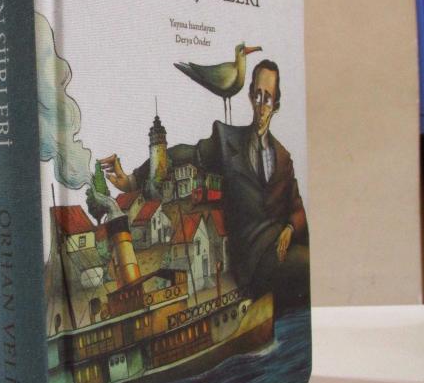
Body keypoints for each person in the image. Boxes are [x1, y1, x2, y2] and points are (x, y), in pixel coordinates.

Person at [101, 59, 310, 315]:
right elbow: (183, 153)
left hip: (282, 247)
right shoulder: (227, 141)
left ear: (275, 104)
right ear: (249, 96)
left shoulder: (284, 157)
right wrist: (133, 180)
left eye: (267, 98)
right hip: (252, 258)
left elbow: (298, 209)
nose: (261, 104)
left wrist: (290, 228)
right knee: (309, 268)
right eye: (257, 95)